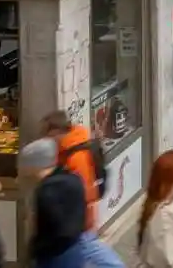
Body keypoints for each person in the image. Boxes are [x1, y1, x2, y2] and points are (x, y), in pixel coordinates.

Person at [43, 110, 124, 268]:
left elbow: (86, 192)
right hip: (77, 219)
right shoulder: (69, 148)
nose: (46, 139)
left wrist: (84, 221)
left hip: (80, 220)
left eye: (48, 134)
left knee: (92, 250)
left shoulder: (75, 157)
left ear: (57, 131)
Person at [21, 138, 86, 268]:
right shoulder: (74, 179)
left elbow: (51, 228)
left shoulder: (45, 191)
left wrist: (35, 250)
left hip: (54, 257)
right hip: (75, 249)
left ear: (35, 164)